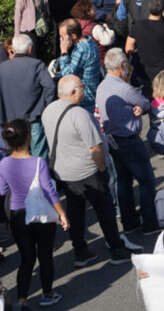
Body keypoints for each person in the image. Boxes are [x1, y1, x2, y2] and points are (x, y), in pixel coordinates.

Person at [43, 76, 129, 266]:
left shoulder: (48, 110)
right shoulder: (80, 115)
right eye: (82, 87)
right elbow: (95, 148)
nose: (84, 89)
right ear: (73, 92)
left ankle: (80, 250)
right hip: (88, 173)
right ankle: (116, 248)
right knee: (105, 211)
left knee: (75, 212)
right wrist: (103, 168)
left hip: (64, 173)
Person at [0, 118, 69, 309]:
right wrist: (62, 214)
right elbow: (49, 190)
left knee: (26, 258)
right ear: (28, 138)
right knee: (45, 256)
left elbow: (2, 190)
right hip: (41, 215)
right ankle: (47, 294)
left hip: (18, 215)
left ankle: (22, 299)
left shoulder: (4, 163)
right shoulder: (38, 162)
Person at [96, 49, 158, 234]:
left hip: (112, 140)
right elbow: (146, 103)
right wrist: (139, 105)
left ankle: (129, 222)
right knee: (146, 180)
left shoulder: (102, 86)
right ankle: (149, 222)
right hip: (129, 140)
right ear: (122, 66)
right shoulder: (123, 87)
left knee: (123, 182)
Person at [0, 34, 56, 156]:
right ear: (30, 49)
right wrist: (44, 106)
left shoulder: (2, 68)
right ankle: (38, 174)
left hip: (10, 119)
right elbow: (50, 87)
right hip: (33, 117)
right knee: (38, 152)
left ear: (13, 49)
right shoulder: (37, 65)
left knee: (13, 152)